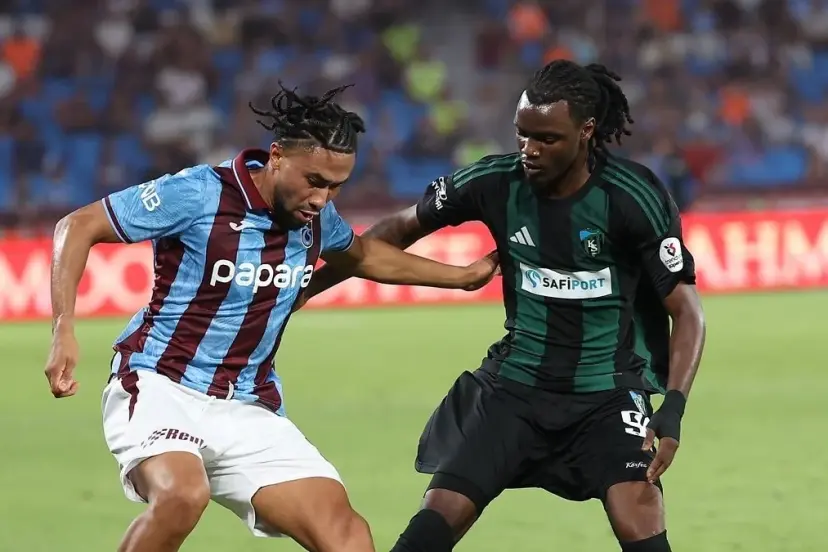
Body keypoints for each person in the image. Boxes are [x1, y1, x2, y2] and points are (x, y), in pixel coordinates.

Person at [43, 84, 498, 552]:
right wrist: (63, 330)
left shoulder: (314, 217)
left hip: (248, 403)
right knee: (182, 495)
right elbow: (77, 225)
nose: (321, 199)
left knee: (348, 537)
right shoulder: (198, 192)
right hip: (162, 385)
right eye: (314, 180)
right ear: (277, 156)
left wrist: (464, 277)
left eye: (335, 186)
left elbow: (362, 256)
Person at [303, 61, 707, 552]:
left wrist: (674, 408)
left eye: (547, 139)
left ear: (586, 131)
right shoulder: (495, 180)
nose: (530, 150)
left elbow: (687, 312)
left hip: (608, 395)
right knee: (433, 522)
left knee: (640, 518)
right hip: (513, 391)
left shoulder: (632, 195)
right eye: (522, 134)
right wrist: (310, 284)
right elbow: (397, 230)